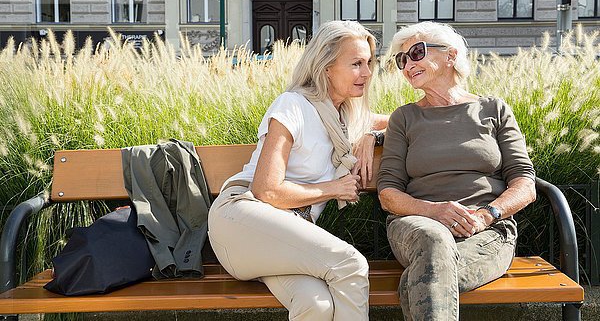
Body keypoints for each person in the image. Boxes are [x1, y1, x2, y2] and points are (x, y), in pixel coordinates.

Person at [208, 20, 388, 321]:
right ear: (326, 67)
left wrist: (371, 136)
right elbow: (267, 190)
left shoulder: (347, 118)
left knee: (315, 305)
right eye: (356, 63)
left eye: (369, 63)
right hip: (241, 220)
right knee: (350, 265)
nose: (367, 73)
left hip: (284, 239)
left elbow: (401, 120)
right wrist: (334, 188)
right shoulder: (293, 105)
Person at [377, 21, 536, 321]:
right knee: (434, 243)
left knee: (424, 278)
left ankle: (422, 278)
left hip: (487, 231)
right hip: (417, 226)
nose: (408, 64)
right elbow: (388, 194)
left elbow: (525, 184)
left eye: (416, 53)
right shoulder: (404, 118)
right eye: (402, 59)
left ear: (450, 56)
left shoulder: (494, 110)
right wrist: (434, 211)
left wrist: (486, 216)